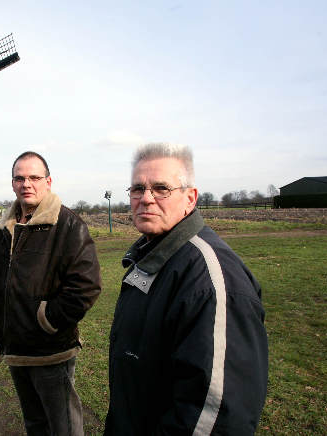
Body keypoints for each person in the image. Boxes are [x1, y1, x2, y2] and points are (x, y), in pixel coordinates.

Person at [105, 143, 268, 435]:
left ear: (190, 198)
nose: (146, 199)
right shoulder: (153, 255)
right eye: (137, 189)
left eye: (161, 188)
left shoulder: (211, 280)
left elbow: (216, 416)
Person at [0, 151, 102, 435]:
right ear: (12, 183)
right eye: (20, 178)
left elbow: (86, 287)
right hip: (15, 347)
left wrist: (47, 319)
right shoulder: (5, 227)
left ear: (48, 182)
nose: (27, 183)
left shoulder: (69, 225)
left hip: (50, 350)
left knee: (64, 426)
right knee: (35, 423)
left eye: (34, 177)